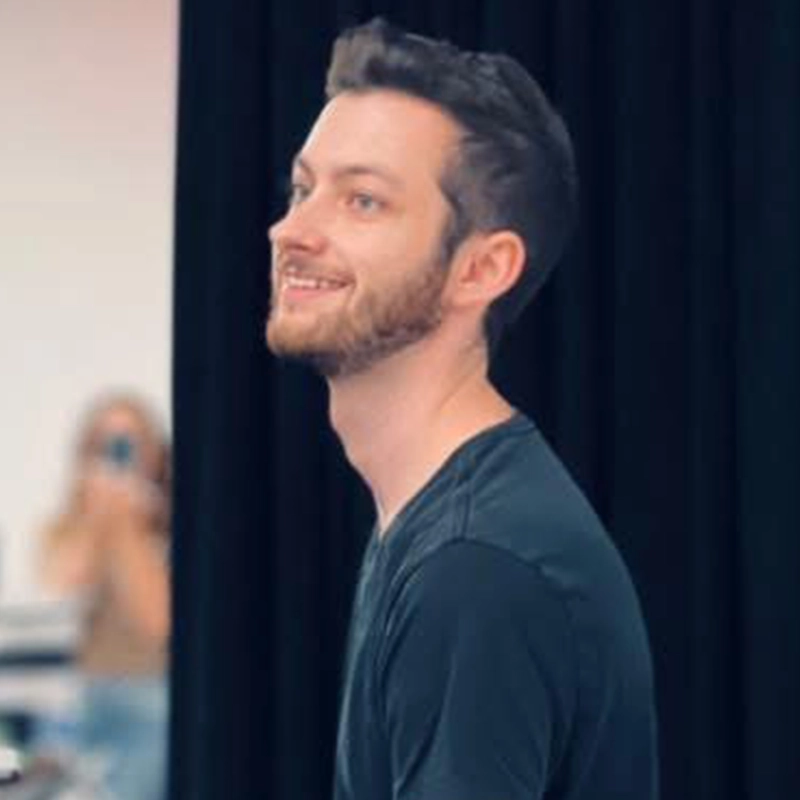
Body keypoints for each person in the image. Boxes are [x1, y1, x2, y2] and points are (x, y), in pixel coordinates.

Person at [266, 17, 658, 800]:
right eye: (304, 190)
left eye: (363, 201)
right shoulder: (438, 520)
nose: (292, 230)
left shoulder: (475, 567)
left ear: (482, 269)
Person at [38, 392, 170, 800]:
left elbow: (158, 624)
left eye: (129, 445)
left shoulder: (171, 532)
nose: (118, 458)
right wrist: (100, 519)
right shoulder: (66, 527)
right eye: (106, 445)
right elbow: (61, 589)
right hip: (80, 695)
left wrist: (128, 531)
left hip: (149, 695)